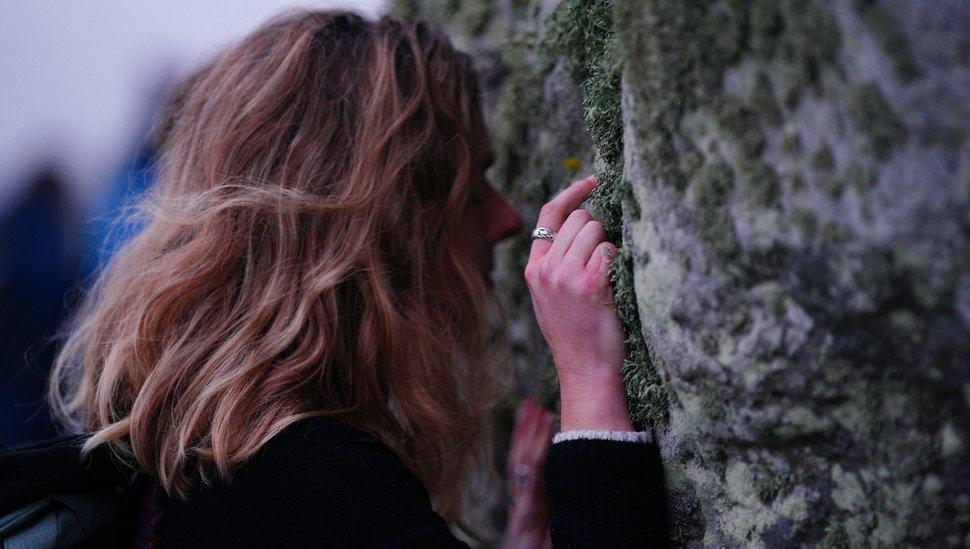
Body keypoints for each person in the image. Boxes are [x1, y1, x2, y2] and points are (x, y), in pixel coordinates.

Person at [9, 9, 667, 547]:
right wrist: (589, 386)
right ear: (387, 235)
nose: (505, 217)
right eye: (468, 191)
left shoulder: (192, 461)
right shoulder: (328, 494)